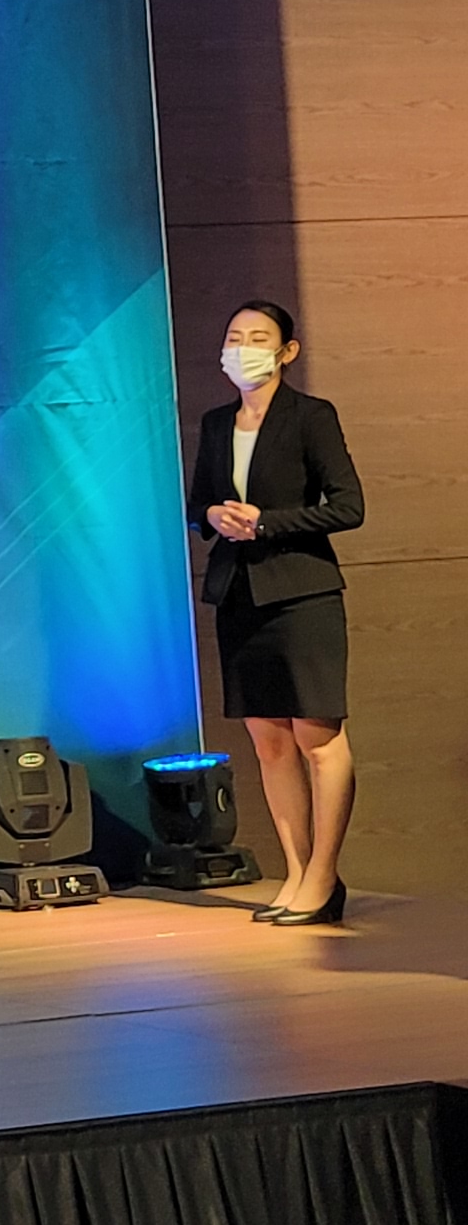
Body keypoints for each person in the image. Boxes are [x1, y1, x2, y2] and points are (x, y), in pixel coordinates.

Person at [188, 300, 364, 924]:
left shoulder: (311, 417)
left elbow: (348, 506)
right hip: (238, 593)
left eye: (258, 338)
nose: (243, 349)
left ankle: (324, 876)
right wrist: (212, 515)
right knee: (269, 743)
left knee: (318, 738)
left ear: (287, 351)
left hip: (301, 592)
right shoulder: (217, 423)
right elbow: (199, 504)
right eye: (234, 337)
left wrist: (267, 523)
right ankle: (295, 872)